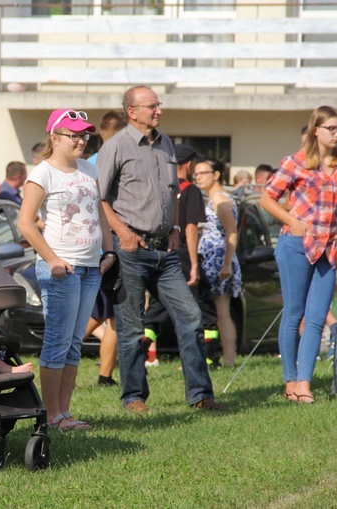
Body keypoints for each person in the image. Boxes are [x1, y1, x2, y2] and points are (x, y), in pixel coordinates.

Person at [97, 85, 227, 413]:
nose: (159, 111)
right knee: (131, 328)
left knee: (192, 316)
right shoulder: (116, 146)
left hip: (164, 253)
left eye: (159, 105)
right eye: (152, 106)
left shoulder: (166, 142)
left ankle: (200, 396)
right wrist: (122, 233)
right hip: (130, 249)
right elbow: (99, 199)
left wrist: (172, 228)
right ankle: (134, 398)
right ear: (132, 112)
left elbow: (170, 193)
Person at [18, 107, 115, 432]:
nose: (81, 140)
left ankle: (64, 413)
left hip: (90, 267)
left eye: (84, 134)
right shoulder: (42, 173)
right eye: (73, 135)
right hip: (62, 269)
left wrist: (110, 251)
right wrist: (53, 259)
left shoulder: (89, 168)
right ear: (54, 137)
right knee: (58, 342)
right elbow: (25, 223)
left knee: (74, 341)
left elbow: (99, 211)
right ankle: (50, 415)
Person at [261, 105, 337, 404]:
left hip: (328, 248)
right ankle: (290, 380)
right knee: (294, 313)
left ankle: (305, 383)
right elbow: (267, 198)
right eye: (332, 128)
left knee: (316, 318)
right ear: (316, 129)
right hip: (296, 245)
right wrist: (294, 223)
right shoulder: (296, 162)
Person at [142, 143, 219, 368]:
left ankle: (142, 350)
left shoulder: (160, 187)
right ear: (187, 164)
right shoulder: (190, 190)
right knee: (204, 303)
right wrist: (195, 264)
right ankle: (209, 357)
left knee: (157, 305)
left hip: (160, 250)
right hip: (184, 251)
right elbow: (191, 228)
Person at [86, 109, 127, 385]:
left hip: (93, 247)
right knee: (106, 313)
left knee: (108, 314)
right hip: (113, 245)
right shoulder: (119, 159)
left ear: (101, 132)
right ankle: (65, 348)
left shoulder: (87, 162)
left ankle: (106, 375)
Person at [195, 158, 242, 367]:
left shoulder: (221, 200)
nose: (198, 178)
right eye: (196, 174)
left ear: (216, 175)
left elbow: (232, 232)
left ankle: (229, 359)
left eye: (203, 173)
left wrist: (227, 263)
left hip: (219, 260)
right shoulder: (212, 199)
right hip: (211, 259)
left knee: (222, 312)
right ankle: (219, 357)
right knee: (214, 312)